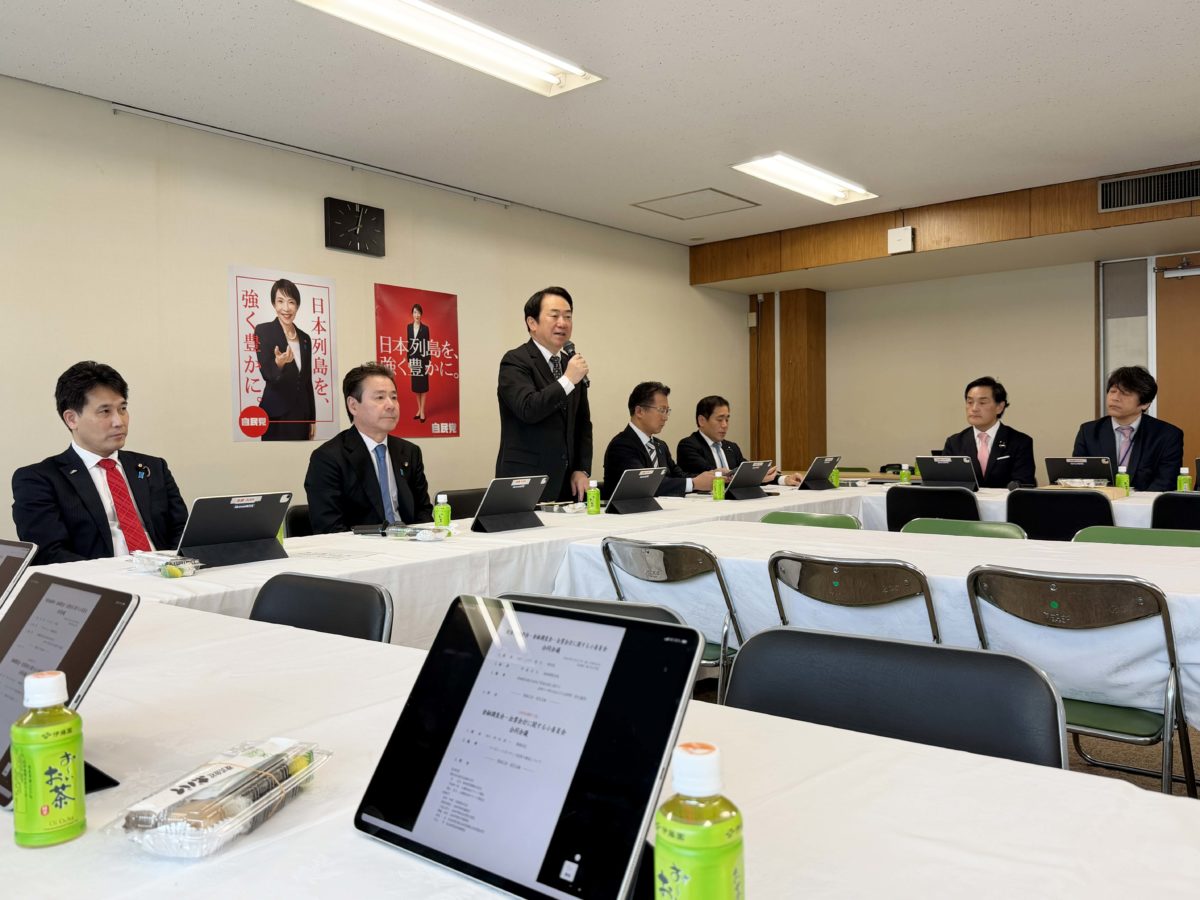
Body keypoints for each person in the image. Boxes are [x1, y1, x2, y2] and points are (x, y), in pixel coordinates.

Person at [12, 361, 188, 565]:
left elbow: (182, 532)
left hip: (167, 574)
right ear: (71, 419)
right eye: (105, 411)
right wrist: (115, 575)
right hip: (97, 580)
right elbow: (49, 554)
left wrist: (174, 566)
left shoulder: (153, 467)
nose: (119, 421)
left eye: (122, 409)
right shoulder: (39, 479)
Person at [304, 362, 433, 532]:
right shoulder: (328, 458)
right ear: (353, 405)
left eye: (394, 397)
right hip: (360, 546)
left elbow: (423, 512)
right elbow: (329, 528)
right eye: (380, 397)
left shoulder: (410, 452)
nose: (391, 405)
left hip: (410, 542)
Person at [496, 286, 592, 502]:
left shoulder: (570, 364)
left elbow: (582, 423)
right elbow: (528, 408)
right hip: (525, 481)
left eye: (568, 316)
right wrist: (567, 380)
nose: (563, 323)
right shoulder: (515, 361)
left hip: (567, 484)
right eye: (554, 316)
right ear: (532, 323)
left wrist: (581, 468)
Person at [1072, 366, 1183, 492]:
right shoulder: (1089, 432)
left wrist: (1135, 502)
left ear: (1145, 403)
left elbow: (1166, 481)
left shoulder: (1167, 435)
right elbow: (1079, 476)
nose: (1115, 398)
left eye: (1125, 393)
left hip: (1147, 503)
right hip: (1099, 502)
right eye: (1112, 391)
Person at [603, 382, 717, 497]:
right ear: (639, 411)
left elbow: (678, 475)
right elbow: (644, 484)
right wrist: (693, 483)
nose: (665, 417)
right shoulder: (621, 445)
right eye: (661, 410)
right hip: (630, 508)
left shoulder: (660, 445)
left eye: (667, 411)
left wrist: (711, 476)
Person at [677, 395, 802, 485]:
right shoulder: (688, 446)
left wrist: (784, 479)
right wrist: (753, 476)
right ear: (702, 421)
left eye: (727, 419)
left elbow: (748, 470)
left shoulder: (731, 447)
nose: (725, 425)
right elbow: (712, 474)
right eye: (720, 420)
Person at [940, 376, 1036, 488]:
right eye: (970, 402)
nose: (974, 408)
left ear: (999, 407)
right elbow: (945, 482)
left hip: (1006, 500)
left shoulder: (1020, 442)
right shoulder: (954, 442)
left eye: (982, 403)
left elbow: (1024, 483)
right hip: (965, 499)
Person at [255, 278, 315, 441]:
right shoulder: (263, 331)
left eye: (291, 302)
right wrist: (279, 363)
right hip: (276, 414)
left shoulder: (305, 338)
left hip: (301, 415)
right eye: (280, 301)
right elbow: (267, 374)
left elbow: (307, 380)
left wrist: (311, 418)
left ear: (297, 306)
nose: (286, 308)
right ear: (274, 304)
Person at [407, 303, 430, 423]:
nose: (417, 315)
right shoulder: (409, 327)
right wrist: (408, 360)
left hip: (423, 360)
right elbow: (409, 344)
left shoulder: (425, 328)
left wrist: (428, 363)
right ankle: (419, 409)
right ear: (412, 314)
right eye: (415, 312)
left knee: (423, 387)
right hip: (414, 361)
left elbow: (427, 346)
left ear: (421, 314)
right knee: (416, 387)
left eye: (419, 312)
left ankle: (422, 411)